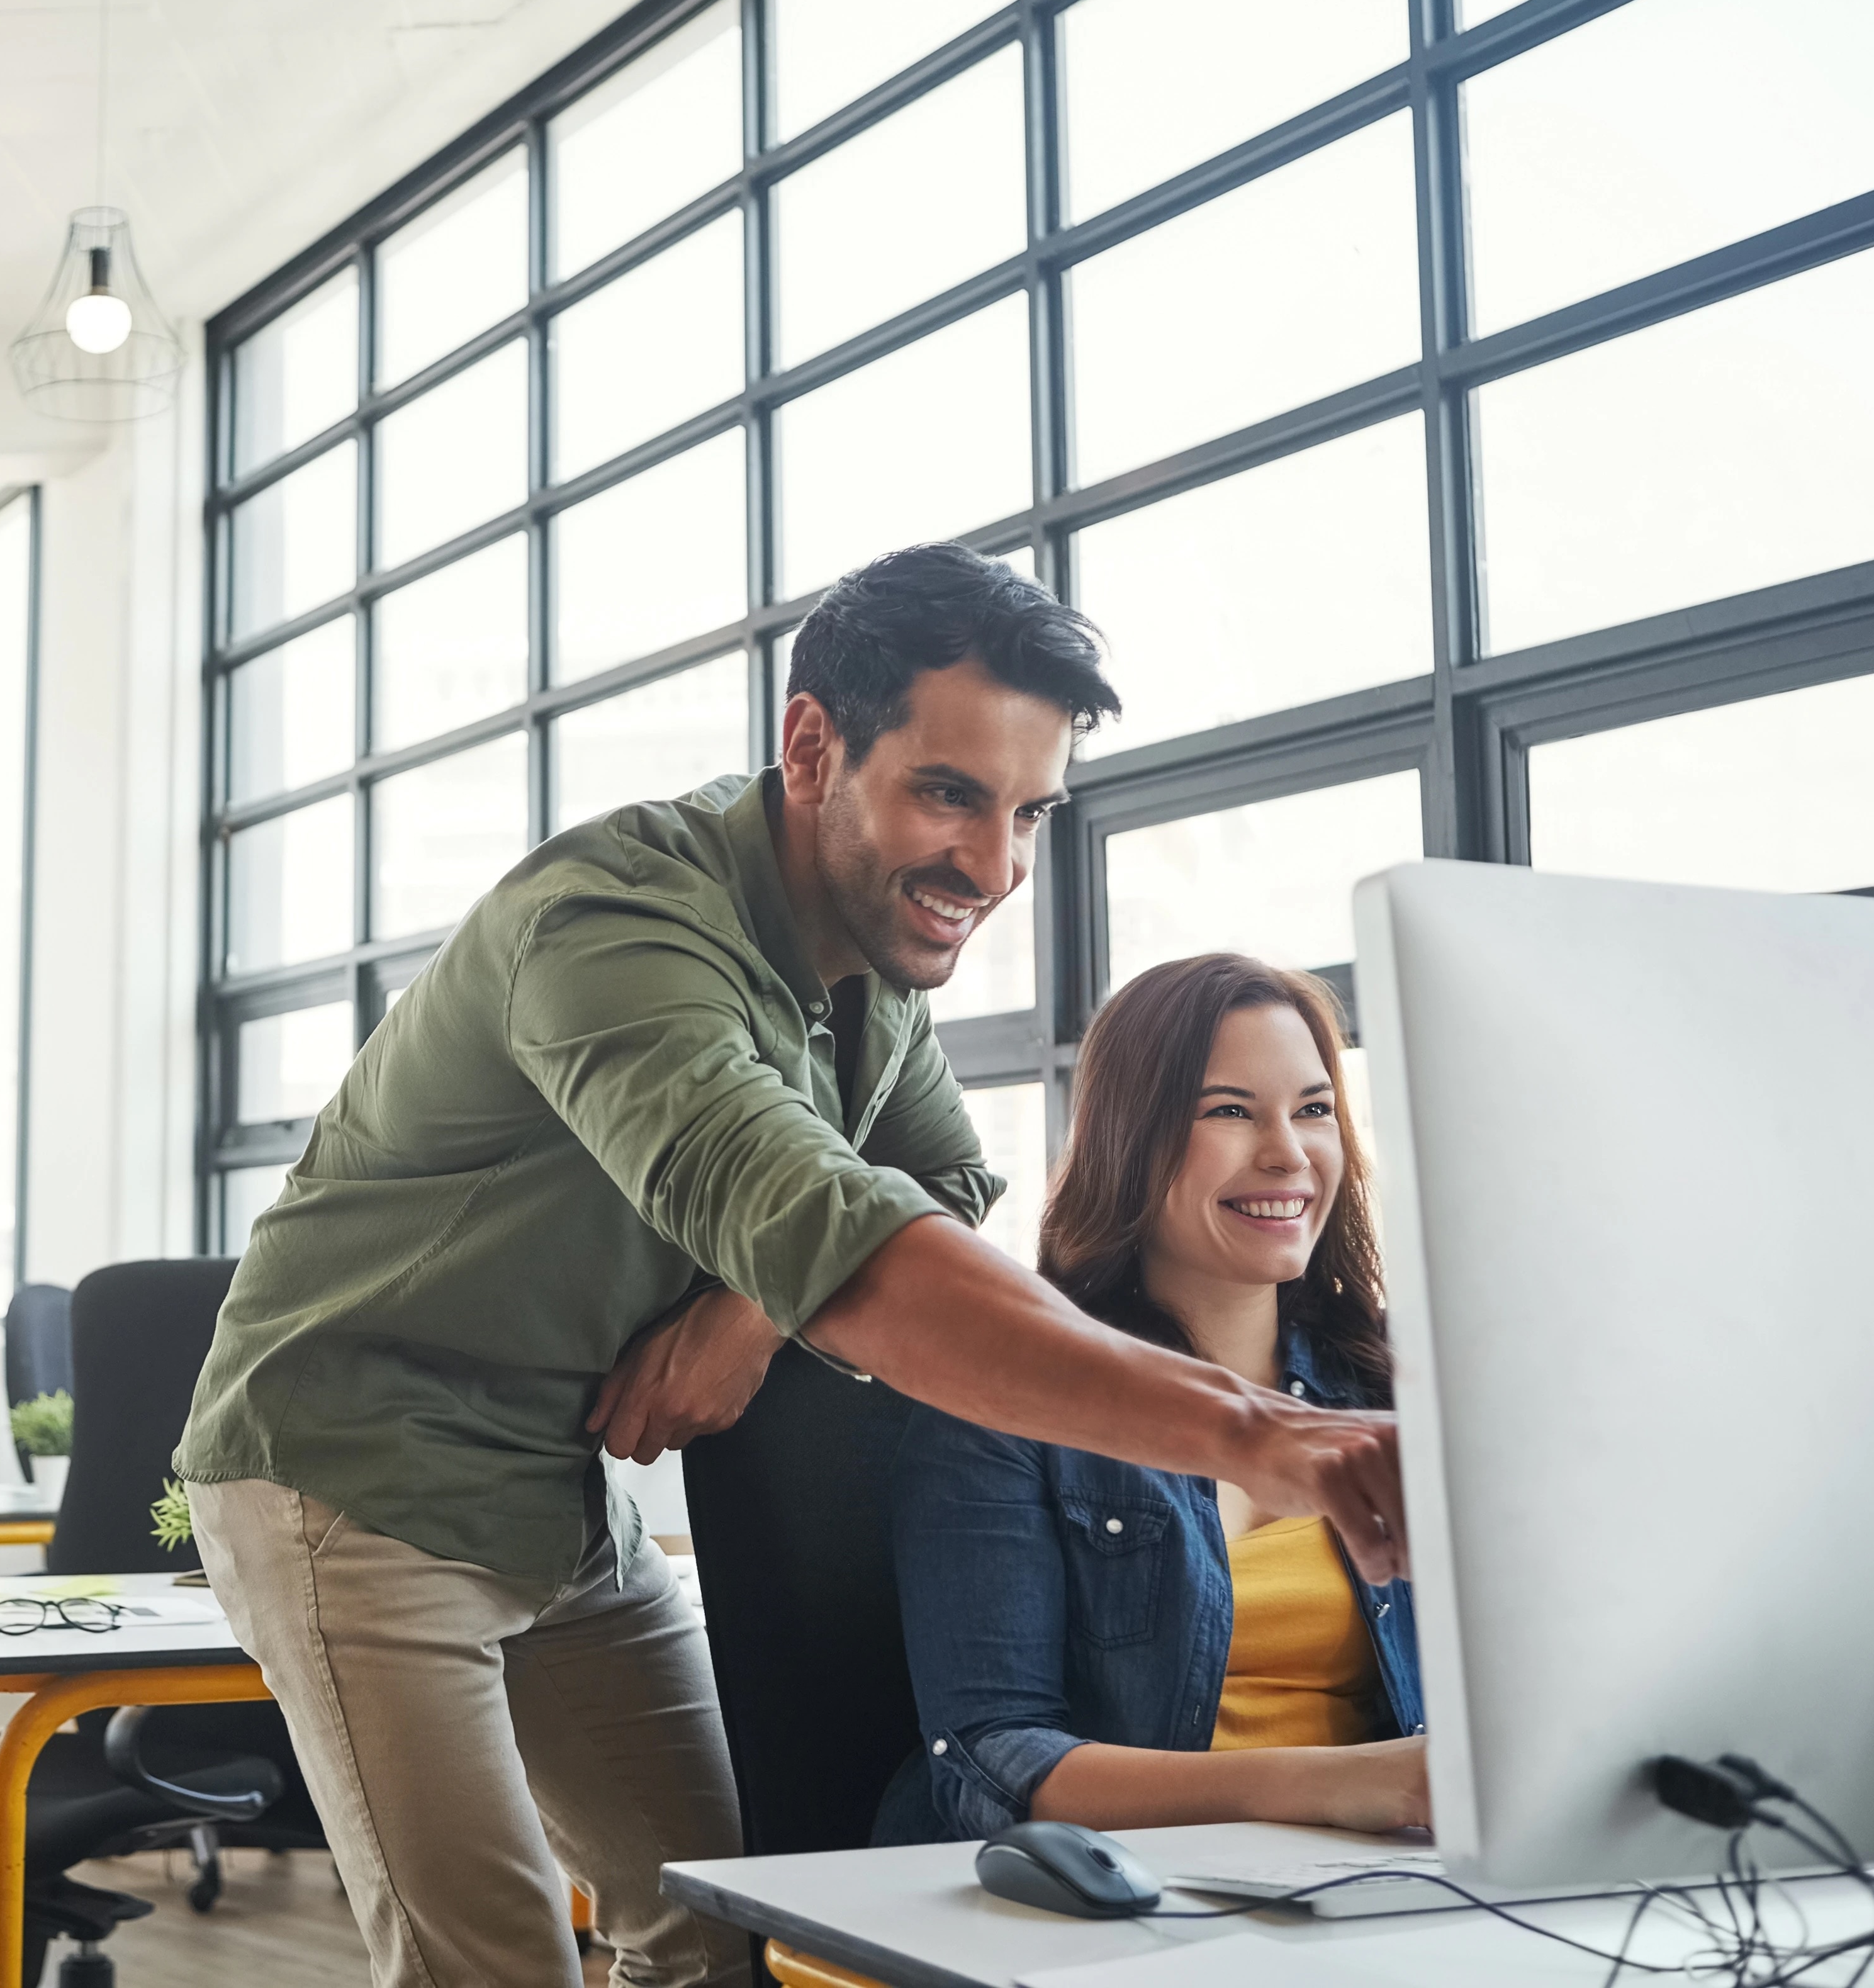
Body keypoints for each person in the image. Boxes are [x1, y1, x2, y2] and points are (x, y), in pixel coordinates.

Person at [174, 541, 1408, 1988]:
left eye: (1027, 811)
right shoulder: (620, 928)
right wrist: (1254, 1431)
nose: (994, 867)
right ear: (810, 743)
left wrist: (746, 1314)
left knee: (716, 1935)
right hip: (350, 1479)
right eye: (949, 793)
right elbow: (866, 1253)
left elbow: (939, 1181)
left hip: (557, 1500)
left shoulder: (863, 983)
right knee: (492, 1967)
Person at [879, 955, 1427, 1846]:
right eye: (1228, 1111)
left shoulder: (1395, 1381)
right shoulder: (1004, 1399)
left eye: (1313, 1109)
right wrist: (1344, 1783)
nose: (1287, 1153)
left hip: (1376, 1876)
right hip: (1115, 1898)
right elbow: (993, 1762)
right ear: (1130, 1139)